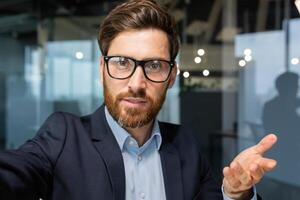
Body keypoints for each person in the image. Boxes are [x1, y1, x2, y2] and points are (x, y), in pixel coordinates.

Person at [0, 0, 277, 199]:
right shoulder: (63, 136)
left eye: (154, 66)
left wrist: (234, 194)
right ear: (102, 70)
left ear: (171, 76)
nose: (136, 84)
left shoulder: (185, 145)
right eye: (122, 63)